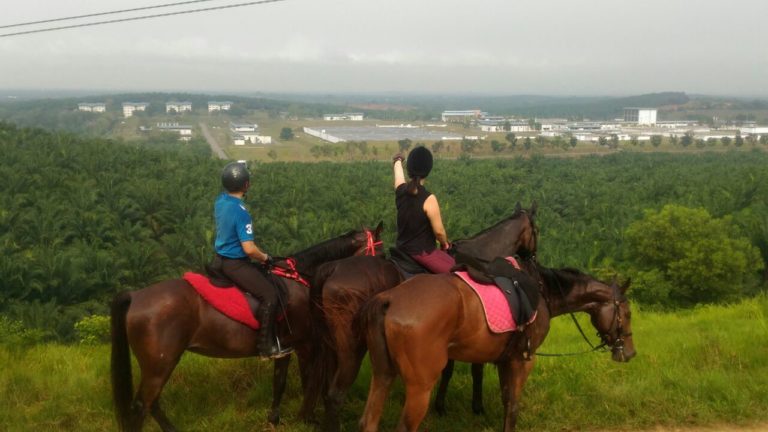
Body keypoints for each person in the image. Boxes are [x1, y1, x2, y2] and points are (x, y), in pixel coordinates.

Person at [212, 161, 292, 358]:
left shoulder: (220, 201)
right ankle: (266, 347)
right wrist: (265, 257)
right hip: (235, 264)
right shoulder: (241, 212)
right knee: (270, 295)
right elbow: (249, 249)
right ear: (246, 185)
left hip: (219, 260)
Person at [393, 146, 456, 273]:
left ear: (409, 169)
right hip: (422, 253)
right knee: (457, 273)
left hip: (401, 249)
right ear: (428, 170)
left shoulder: (400, 190)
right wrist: (445, 244)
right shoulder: (429, 199)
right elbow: (439, 232)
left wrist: (398, 160)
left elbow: (398, 175)